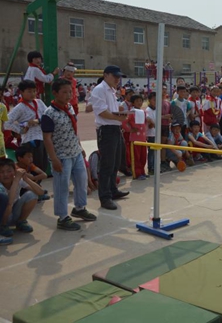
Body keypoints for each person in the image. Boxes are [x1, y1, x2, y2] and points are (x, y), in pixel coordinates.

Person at [42, 78, 97, 230]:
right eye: (64, 92)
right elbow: (47, 138)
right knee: (62, 187)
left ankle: (79, 208)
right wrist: (54, 159)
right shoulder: (49, 114)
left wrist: (80, 147)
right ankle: (62, 217)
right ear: (55, 93)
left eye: (70, 91)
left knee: (81, 181)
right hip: (61, 156)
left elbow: (73, 130)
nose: (68, 95)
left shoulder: (70, 108)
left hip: (76, 153)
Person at [89, 65, 130, 210]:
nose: (118, 80)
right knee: (107, 165)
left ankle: (113, 190)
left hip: (115, 128)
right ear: (106, 75)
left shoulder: (112, 90)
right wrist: (119, 118)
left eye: (119, 77)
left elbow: (111, 109)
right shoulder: (99, 89)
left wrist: (121, 112)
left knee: (116, 162)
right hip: (106, 130)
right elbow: (101, 112)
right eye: (115, 76)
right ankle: (105, 197)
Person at [6, 80, 48, 173]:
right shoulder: (20, 107)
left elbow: (49, 116)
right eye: (29, 91)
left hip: (44, 138)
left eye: (34, 91)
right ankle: (33, 186)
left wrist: (38, 121)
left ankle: (37, 185)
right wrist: (20, 130)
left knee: (43, 165)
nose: (33, 94)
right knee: (34, 167)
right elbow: (6, 122)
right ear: (21, 92)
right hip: (31, 140)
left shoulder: (39, 102)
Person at [0, 157, 43, 239]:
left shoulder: (17, 179)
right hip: (3, 216)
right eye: (2, 172)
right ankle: (2, 227)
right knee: (8, 205)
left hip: (13, 213)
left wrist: (26, 179)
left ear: (14, 172)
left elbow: (40, 192)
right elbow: (9, 202)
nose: (5, 174)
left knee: (32, 194)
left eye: (9, 171)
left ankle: (21, 221)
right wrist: (16, 180)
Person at [124, 95, 148, 180]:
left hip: (143, 139)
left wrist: (146, 134)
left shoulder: (143, 112)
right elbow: (124, 122)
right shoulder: (131, 112)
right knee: (136, 157)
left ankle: (142, 172)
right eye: (137, 101)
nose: (139, 103)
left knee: (143, 157)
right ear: (133, 103)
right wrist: (130, 129)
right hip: (135, 139)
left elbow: (145, 124)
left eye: (141, 101)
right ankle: (137, 174)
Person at [145, 92, 157, 175]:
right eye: (154, 100)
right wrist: (153, 124)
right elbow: (150, 123)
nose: (155, 101)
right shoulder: (147, 110)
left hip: (156, 133)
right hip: (150, 134)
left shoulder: (157, 109)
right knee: (151, 151)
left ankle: (155, 166)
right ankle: (150, 167)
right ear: (149, 100)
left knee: (156, 150)